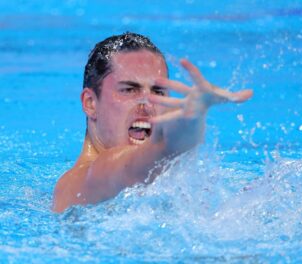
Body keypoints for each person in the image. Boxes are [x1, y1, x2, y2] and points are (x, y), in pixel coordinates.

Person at [52, 32, 253, 213]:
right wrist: (192, 118)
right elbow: (150, 156)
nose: (147, 103)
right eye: (129, 89)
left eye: (157, 92)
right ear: (90, 103)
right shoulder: (82, 182)